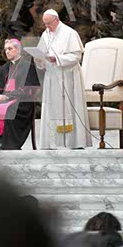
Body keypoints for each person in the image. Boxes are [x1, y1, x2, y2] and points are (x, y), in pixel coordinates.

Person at [35, 9, 92, 149]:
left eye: (49, 23)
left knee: (68, 108)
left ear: (57, 20)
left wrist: (57, 59)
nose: (47, 26)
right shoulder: (46, 34)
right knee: (52, 108)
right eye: (45, 24)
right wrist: (39, 58)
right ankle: (52, 142)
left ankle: (73, 142)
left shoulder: (69, 33)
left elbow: (76, 56)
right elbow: (41, 54)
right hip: (52, 76)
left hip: (68, 76)